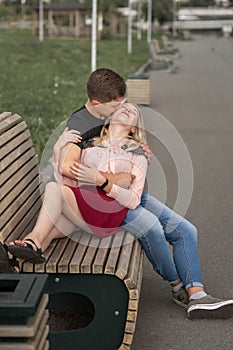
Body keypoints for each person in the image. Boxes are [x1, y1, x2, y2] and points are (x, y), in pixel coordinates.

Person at [3, 68, 233, 320]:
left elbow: (126, 186)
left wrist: (129, 158)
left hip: (119, 198)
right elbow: (69, 170)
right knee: (152, 228)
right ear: (98, 105)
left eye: (126, 107)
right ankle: (179, 287)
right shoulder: (79, 126)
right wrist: (70, 152)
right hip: (102, 204)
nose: (122, 108)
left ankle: (197, 294)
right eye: (117, 107)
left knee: (186, 230)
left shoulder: (130, 144)